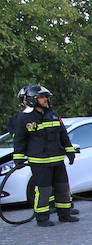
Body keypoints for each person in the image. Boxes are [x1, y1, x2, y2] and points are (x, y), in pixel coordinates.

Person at [11, 85, 78, 226]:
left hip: (57, 159)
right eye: (41, 97)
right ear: (32, 100)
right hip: (39, 161)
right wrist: (18, 158)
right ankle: (42, 218)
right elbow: (19, 140)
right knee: (44, 190)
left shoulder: (53, 114)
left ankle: (65, 215)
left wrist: (69, 151)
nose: (45, 100)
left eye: (45, 97)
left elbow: (63, 135)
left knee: (63, 188)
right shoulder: (25, 118)